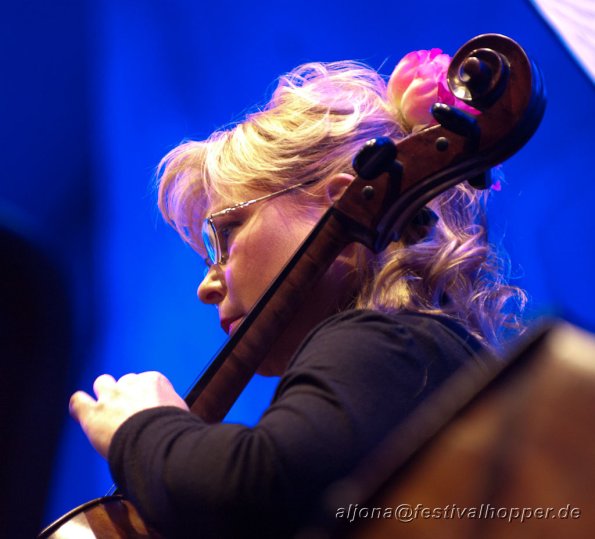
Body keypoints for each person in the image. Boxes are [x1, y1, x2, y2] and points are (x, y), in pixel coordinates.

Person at [69, 49, 525, 538]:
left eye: (225, 235)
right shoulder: (406, 357)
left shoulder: (386, 343)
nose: (207, 285)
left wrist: (143, 428)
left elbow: (251, 491)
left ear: (336, 201)